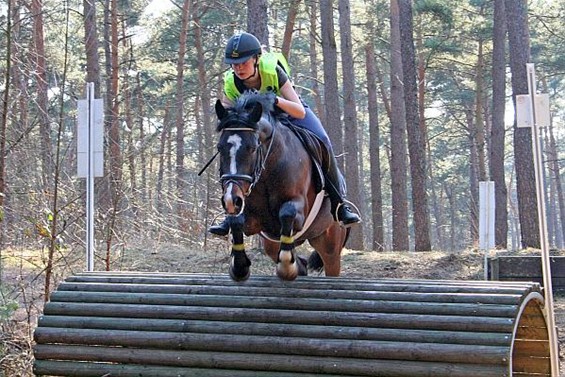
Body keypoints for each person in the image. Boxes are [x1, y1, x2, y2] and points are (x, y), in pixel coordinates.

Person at [209, 32, 360, 237]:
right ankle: (230, 212)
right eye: (234, 64)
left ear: (256, 59)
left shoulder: (273, 72)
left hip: (288, 112)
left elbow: (299, 110)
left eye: (243, 62)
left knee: (323, 140)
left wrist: (275, 100)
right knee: (232, 149)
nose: (238, 68)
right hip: (258, 121)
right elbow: (225, 116)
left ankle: (339, 204)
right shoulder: (231, 82)